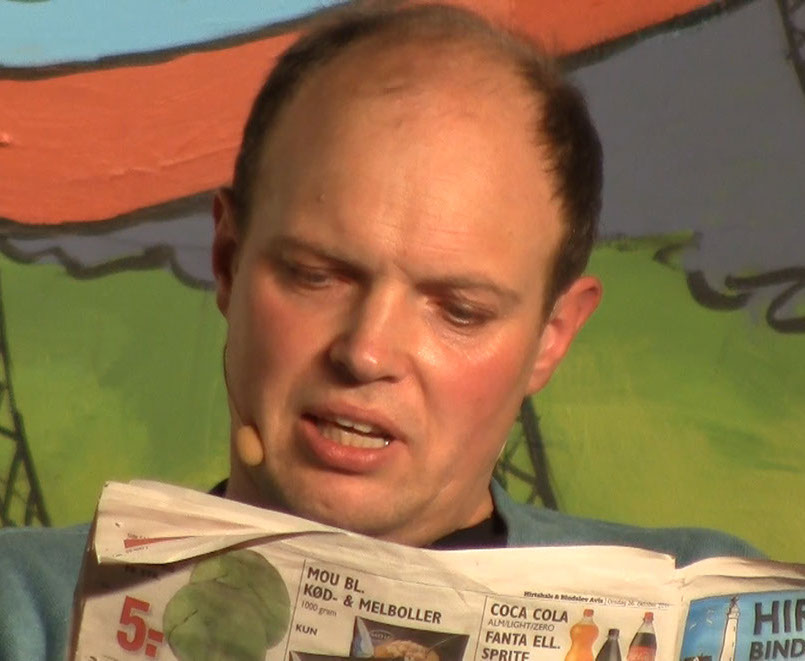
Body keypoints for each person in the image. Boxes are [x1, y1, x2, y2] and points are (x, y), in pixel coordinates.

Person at [0, 5, 760, 661]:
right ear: (228, 261)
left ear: (552, 337)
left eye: (458, 310)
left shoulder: (705, 605)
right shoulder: (23, 607)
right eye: (316, 275)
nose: (365, 353)